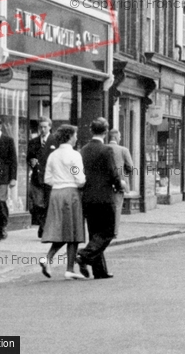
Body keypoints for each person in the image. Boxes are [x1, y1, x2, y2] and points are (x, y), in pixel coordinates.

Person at [76, 118, 125, 279]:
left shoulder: (83, 149)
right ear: (105, 132)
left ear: (91, 130)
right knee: (108, 231)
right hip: (105, 197)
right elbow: (113, 173)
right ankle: (84, 254)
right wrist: (119, 186)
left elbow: (79, 171)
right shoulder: (106, 150)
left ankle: (99, 271)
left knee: (95, 233)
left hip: (88, 197)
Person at [39, 124, 87, 280]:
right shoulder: (74, 156)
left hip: (56, 193)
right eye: (75, 135)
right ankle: (70, 269)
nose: (77, 138)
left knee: (61, 231)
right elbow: (79, 178)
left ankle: (48, 259)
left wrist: (59, 181)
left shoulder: (53, 156)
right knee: (74, 232)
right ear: (70, 136)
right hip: (70, 194)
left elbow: (47, 178)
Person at [27, 117, 56, 238]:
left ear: (50, 127)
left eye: (45, 127)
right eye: (41, 127)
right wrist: (31, 161)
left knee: (48, 204)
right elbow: (29, 156)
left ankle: (44, 228)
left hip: (51, 178)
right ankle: (43, 225)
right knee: (38, 204)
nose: (43, 130)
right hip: (37, 178)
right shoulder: (33, 142)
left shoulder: (55, 141)